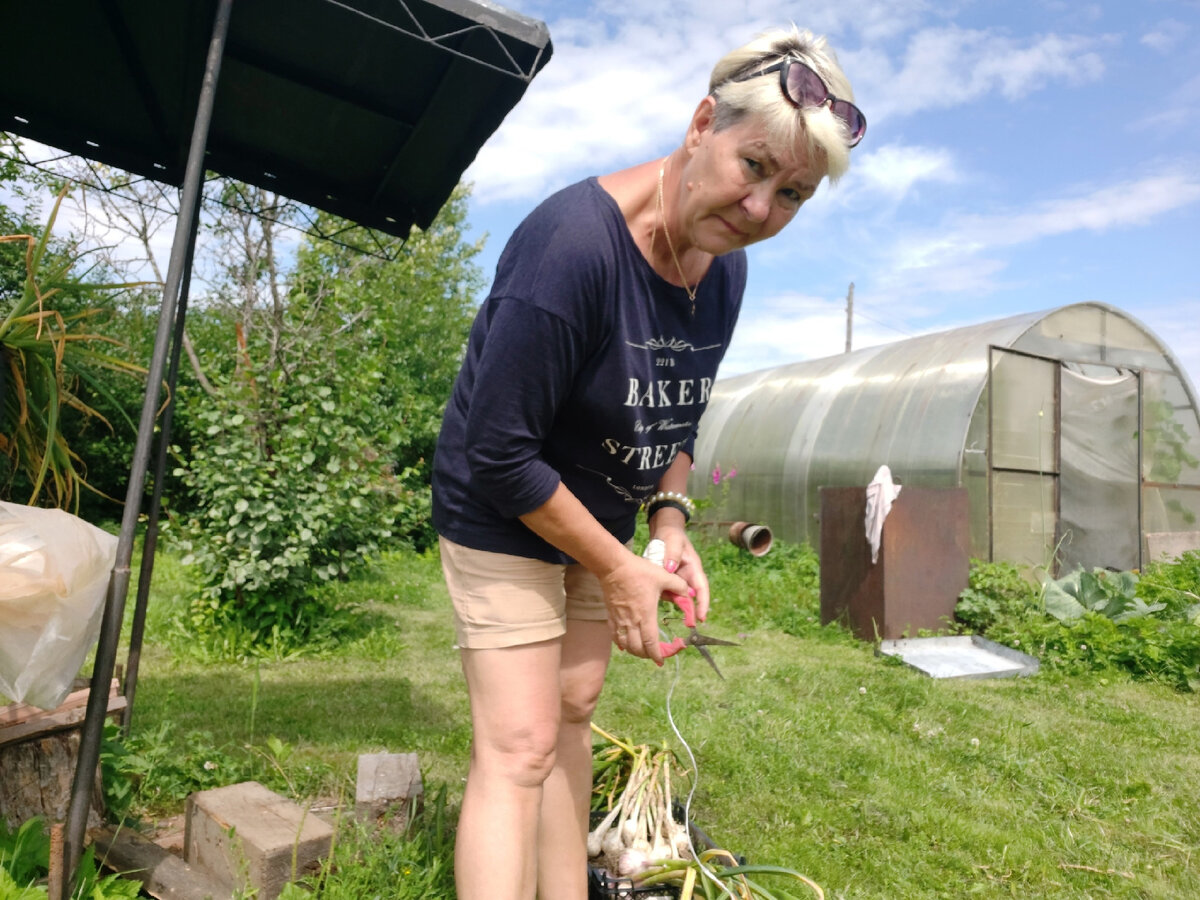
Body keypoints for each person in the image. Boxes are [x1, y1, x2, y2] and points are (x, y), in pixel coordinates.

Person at [430, 24, 864, 900]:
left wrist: (668, 522)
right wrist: (620, 566)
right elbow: (499, 452)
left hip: (601, 515)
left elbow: (678, 414)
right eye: (753, 166)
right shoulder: (572, 247)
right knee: (519, 746)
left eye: (791, 194)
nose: (760, 209)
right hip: (501, 508)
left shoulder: (723, 266)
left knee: (572, 714)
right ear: (703, 124)